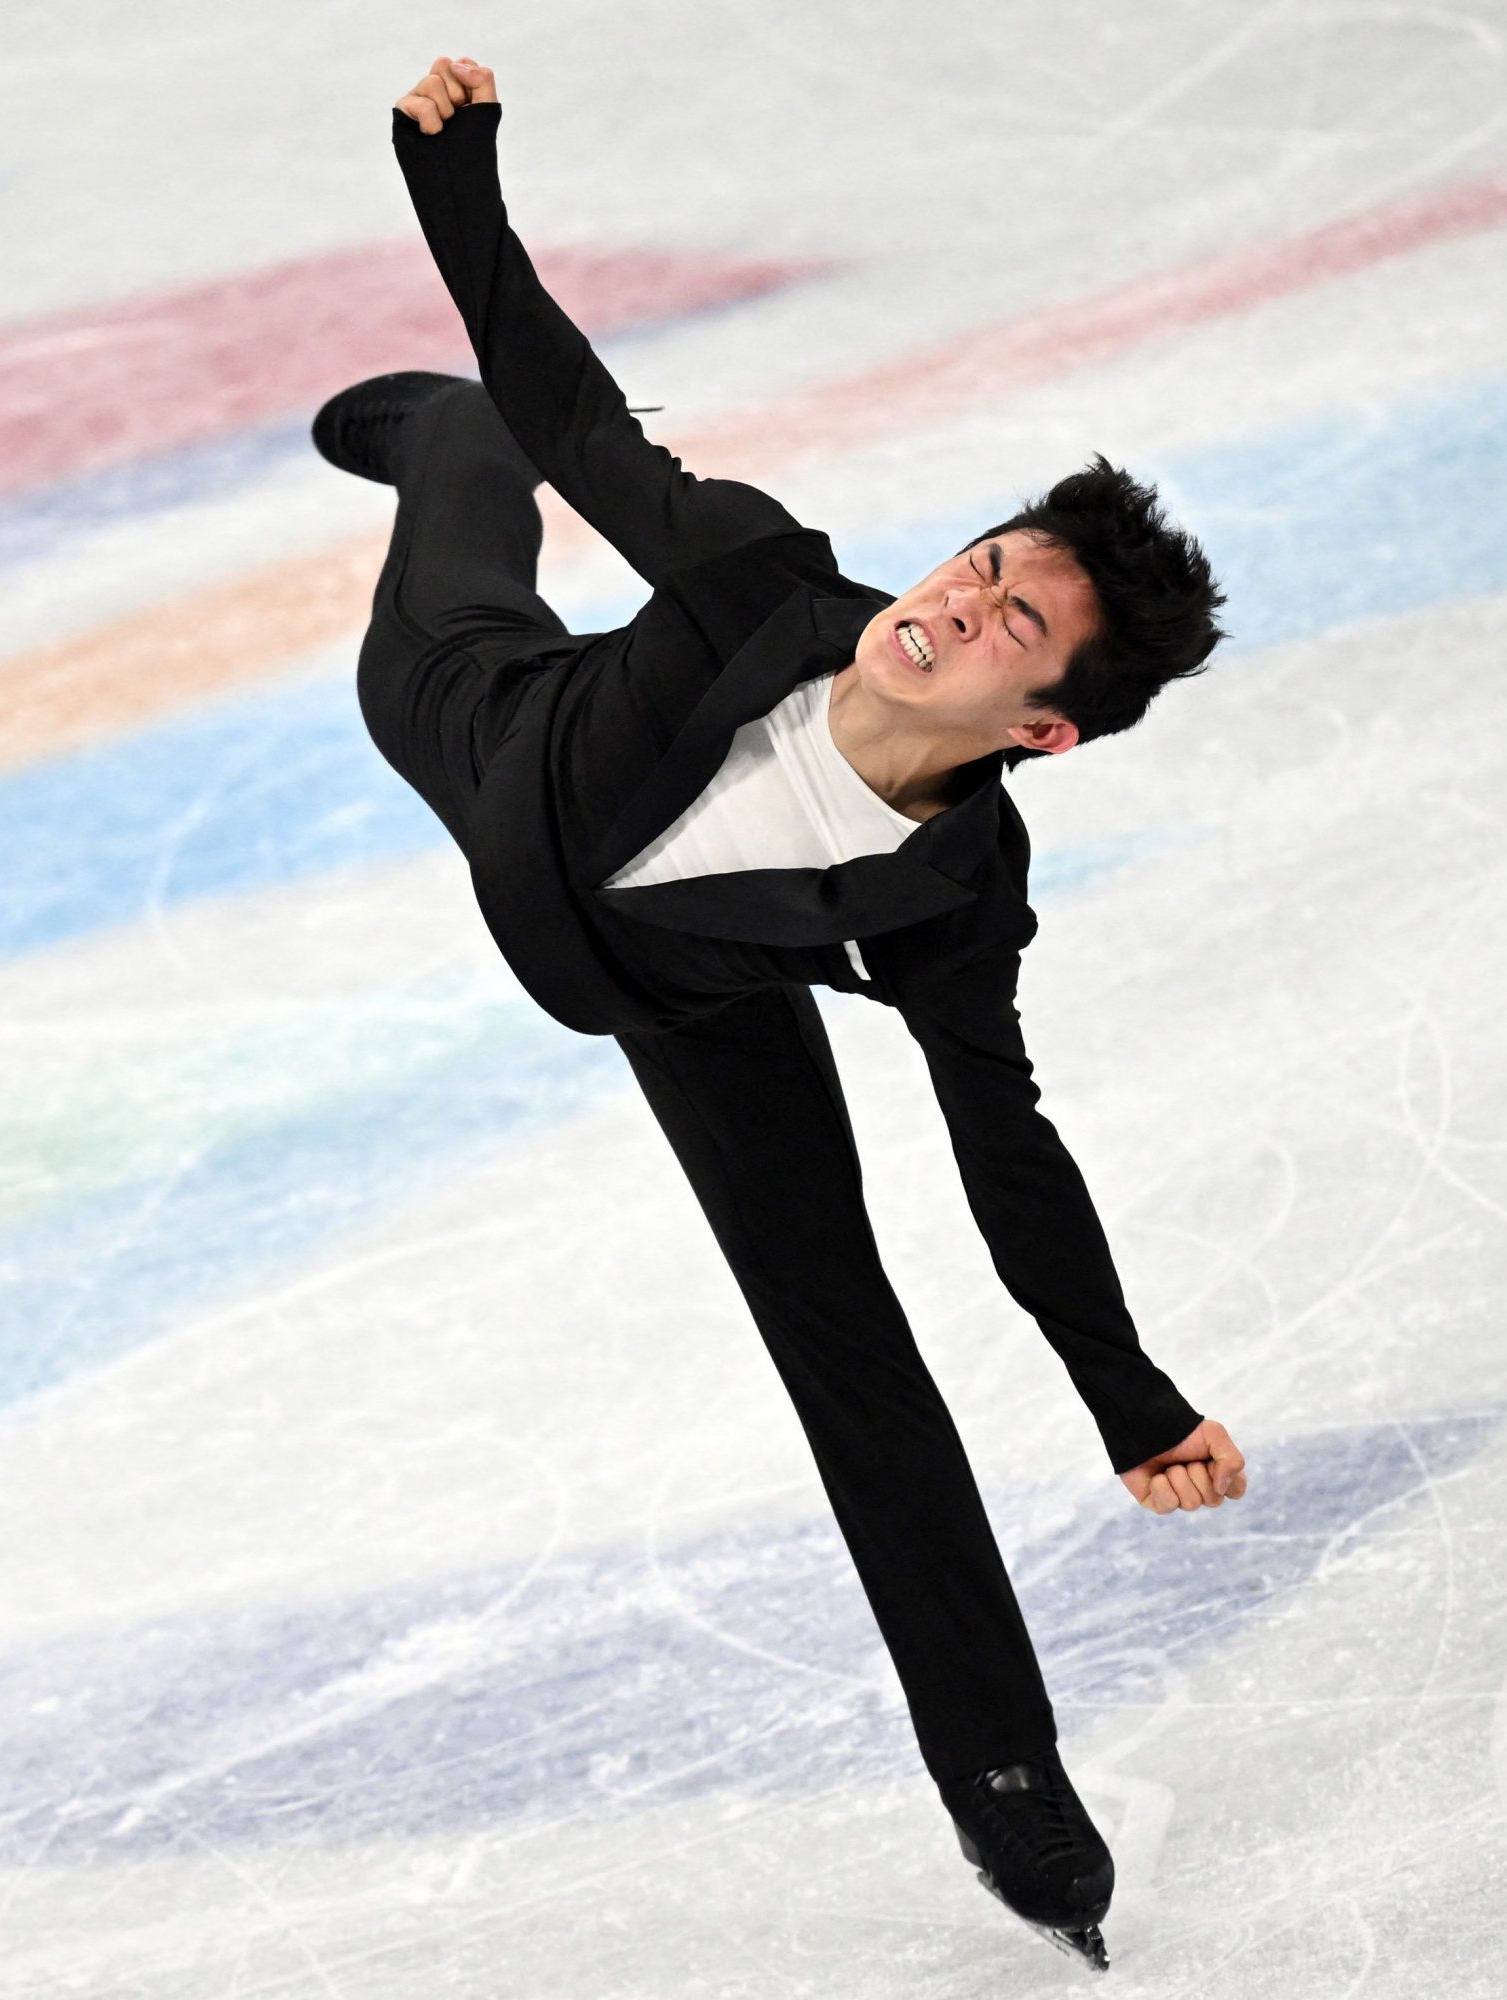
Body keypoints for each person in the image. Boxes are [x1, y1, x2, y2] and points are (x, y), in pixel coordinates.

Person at [325, 56, 1251, 1973]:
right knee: (493, 473)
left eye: (1013, 628)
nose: (958, 605)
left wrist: (1125, 1396)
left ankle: (1009, 1785)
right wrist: (456, 180)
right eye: (982, 564)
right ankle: (433, 431)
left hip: (686, 994)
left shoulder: (955, 894)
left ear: (1045, 729)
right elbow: (593, 420)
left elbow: (1008, 1150)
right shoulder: (764, 577)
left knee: (851, 1345)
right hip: (501, 741)